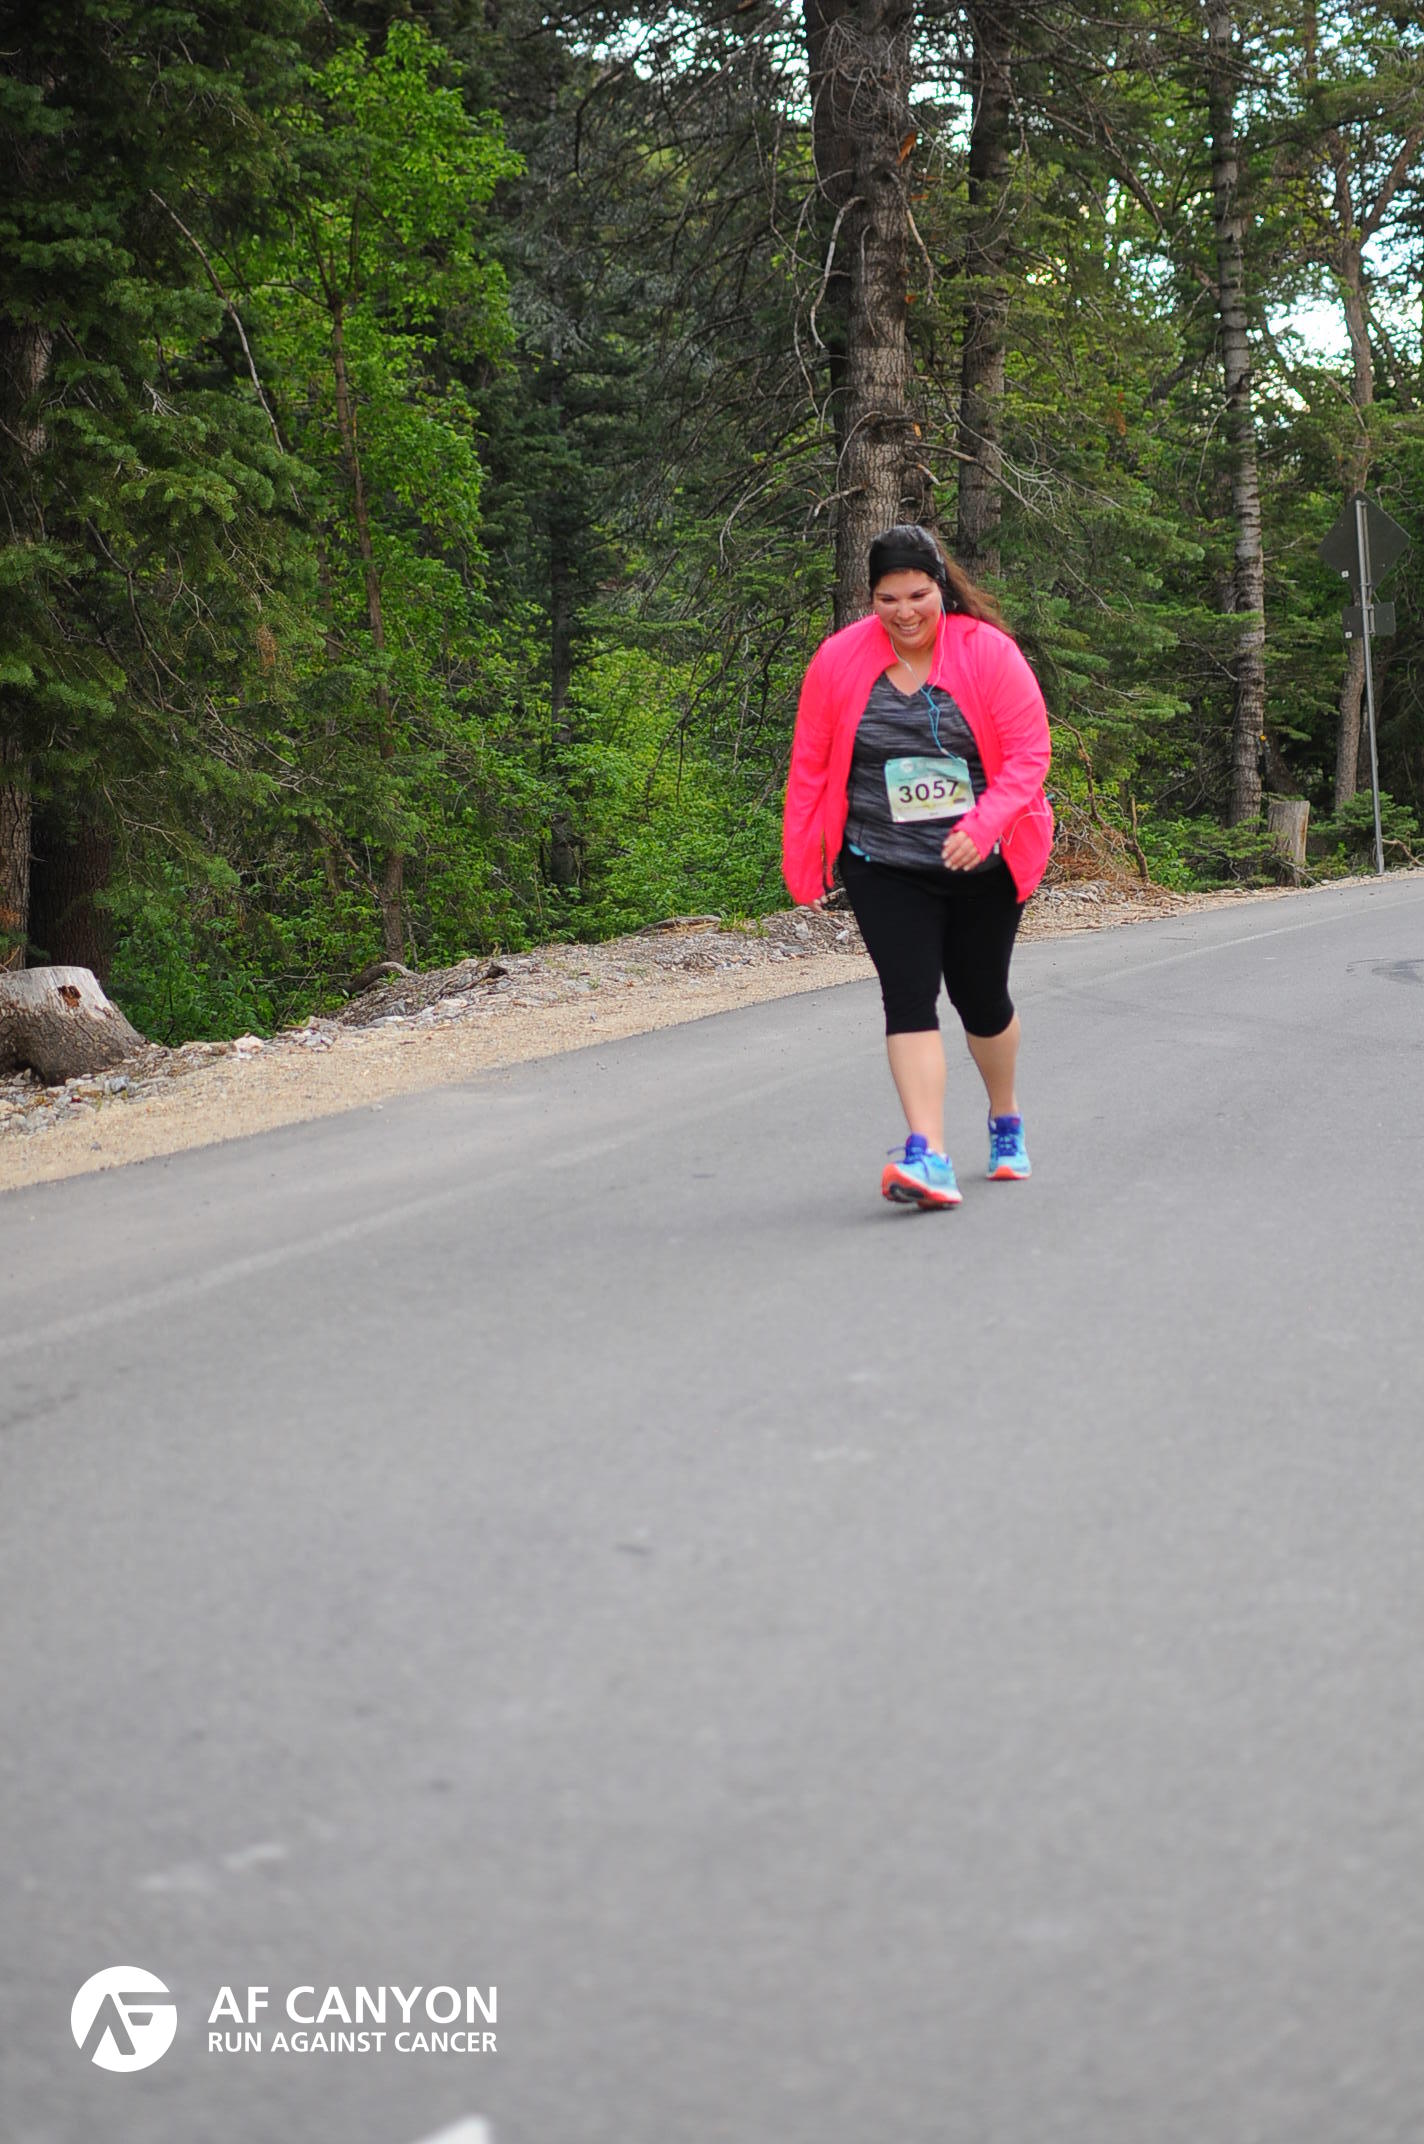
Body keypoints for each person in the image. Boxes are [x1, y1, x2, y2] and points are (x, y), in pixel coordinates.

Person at [783, 523, 1053, 1209]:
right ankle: (927, 1153)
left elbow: (1030, 755)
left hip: (984, 864)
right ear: (869, 598)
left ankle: (1005, 1116)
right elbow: (811, 762)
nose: (904, 612)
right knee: (907, 996)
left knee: (981, 1000)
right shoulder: (839, 659)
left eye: (917, 595)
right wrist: (803, 860)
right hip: (883, 859)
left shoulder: (987, 651)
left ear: (941, 588)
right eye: (887, 598)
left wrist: (983, 826)